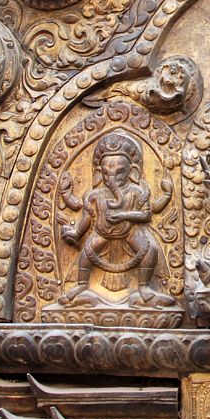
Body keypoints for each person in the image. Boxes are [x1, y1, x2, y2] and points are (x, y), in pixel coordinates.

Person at [59, 131, 175, 306]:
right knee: (86, 253)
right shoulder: (95, 195)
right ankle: (82, 285)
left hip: (129, 233)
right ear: (99, 173)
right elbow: (88, 218)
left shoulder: (136, 192)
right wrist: (77, 233)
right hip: (102, 233)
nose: (111, 178)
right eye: (105, 173)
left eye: (119, 172)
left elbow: (146, 215)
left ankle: (144, 287)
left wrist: (125, 215)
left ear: (132, 171)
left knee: (150, 250)